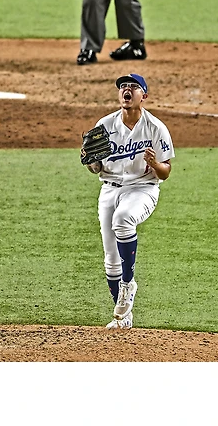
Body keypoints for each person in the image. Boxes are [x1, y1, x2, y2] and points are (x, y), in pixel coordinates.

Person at [83, 73, 175, 329]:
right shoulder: (104, 125)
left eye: (133, 87)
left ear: (143, 95)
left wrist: (154, 163)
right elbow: (95, 168)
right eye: (123, 86)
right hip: (109, 190)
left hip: (142, 189)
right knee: (111, 262)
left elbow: (166, 172)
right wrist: (90, 161)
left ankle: (128, 283)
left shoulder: (156, 127)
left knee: (123, 219)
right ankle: (124, 318)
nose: (127, 90)